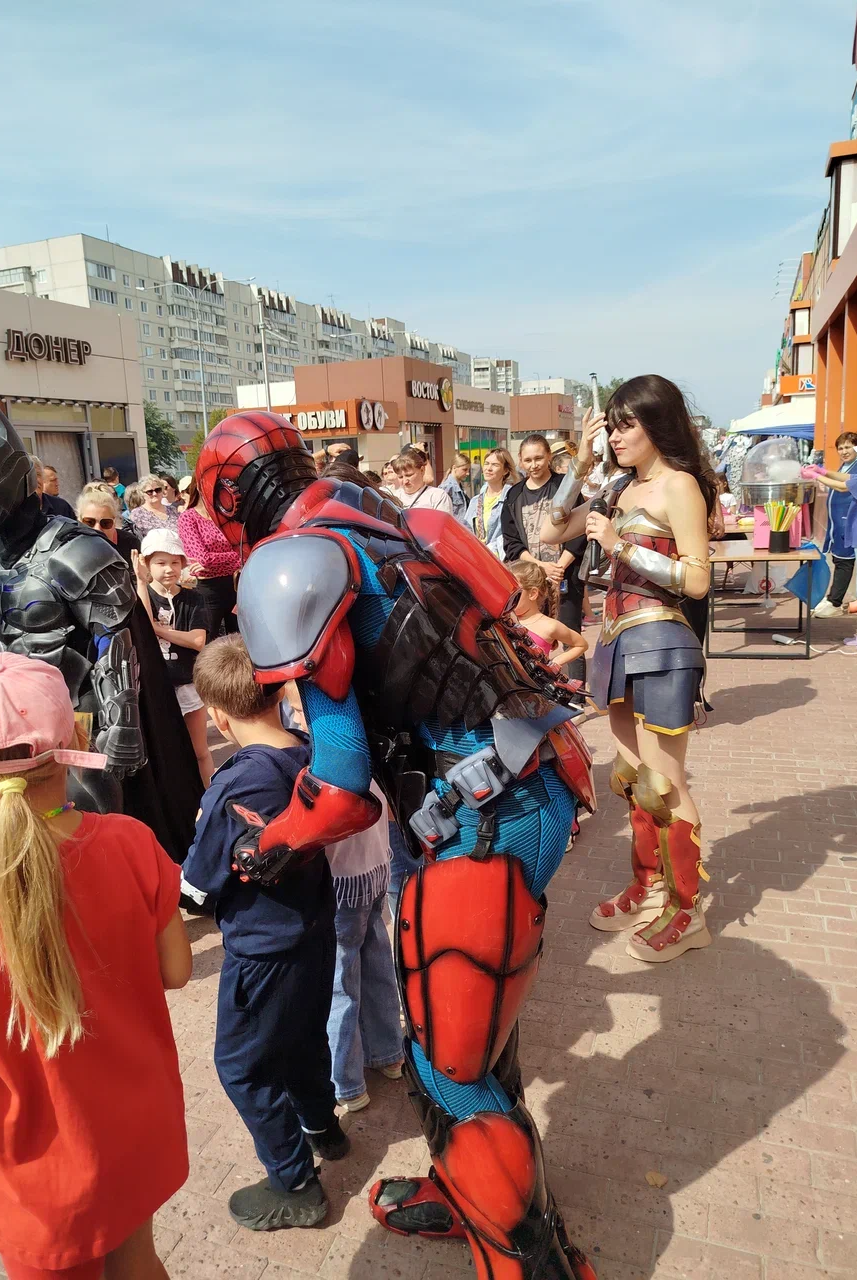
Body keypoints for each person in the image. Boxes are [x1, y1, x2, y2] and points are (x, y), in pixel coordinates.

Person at [194, 409, 597, 1278]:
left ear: (228, 497)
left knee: (451, 1063)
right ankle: (469, 1186)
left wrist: (270, 846)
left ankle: (529, 1261)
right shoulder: (387, 517)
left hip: (481, 816)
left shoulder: (296, 561)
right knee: (464, 1033)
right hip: (517, 780)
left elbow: (340, 788)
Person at [0, 652, 191, 1279]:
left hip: (47, 1184)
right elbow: (175, 971)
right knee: (139, 1264)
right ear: (77, 740)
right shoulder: (133, 842)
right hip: (139, 1134)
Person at [0, 398, 202, 865]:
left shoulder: (75, 548)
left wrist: (122, 724)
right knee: (24, 844)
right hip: (6, 723)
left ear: (13, 479)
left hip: (76, 720)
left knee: (91, 845)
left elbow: (116, 641)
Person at [539, 377, 714, 963]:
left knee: (665, 782)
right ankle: (649, 886)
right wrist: (578, 465)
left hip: (661, 642)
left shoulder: (679, 485)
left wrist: (621, 546)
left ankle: (687, 911)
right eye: (610, 427)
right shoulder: (618, 486)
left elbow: (697, 579)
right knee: (633, 776)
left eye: (626, 425)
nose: (615, 436)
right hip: (615, 642)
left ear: (656, 425)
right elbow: (549, 531)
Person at [181, 636, 348, 1231]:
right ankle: (323, 1127)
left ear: (218, 716)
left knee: (243, 1067)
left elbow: (197, 890)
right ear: (279, 694)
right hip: (314, 927)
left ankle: (294, 1182)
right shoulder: (310, 751)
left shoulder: (234, 784)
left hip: (261, 947)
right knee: (302, 1036)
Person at [284, 682, 403, 1114]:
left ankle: (347, 1082)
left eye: (300, 711)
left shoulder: (322, 769)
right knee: (376, 961)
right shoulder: (370, 755)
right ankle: (389, 1053)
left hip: (342, 885)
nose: (296, 720)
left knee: (340, 982)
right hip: (376, 871)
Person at [503, 434, 588, 681]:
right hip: (529, 579)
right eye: (528, 460)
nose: (534, 465)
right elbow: (511, 541)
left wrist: (559, 567)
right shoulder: (514, 495)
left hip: (565, 574)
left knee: (569, 634)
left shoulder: (565, 487)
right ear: (520, 461)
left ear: (549, 456)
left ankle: (576, 695)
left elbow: (581, 530)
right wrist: (540, 566)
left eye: (539, 458)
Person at [135, 529, 211, 789]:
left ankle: (209, 795)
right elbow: (144, 625)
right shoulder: (141, 595)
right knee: (167, 753)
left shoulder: (193, 598)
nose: (169, 569)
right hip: (157, 685)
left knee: (200, 750)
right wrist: (141, 583)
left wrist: (160, 630)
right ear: (146, 564)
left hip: (188, 680)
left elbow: (198, 640)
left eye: (175, 562)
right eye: (160, 562)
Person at [177, 481, 241, 639]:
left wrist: (233, 558)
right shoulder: (188, 518)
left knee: (239, 639)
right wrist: (234, 558)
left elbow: (242, 553)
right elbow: (203, 558)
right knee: (208, 640)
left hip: (234, 584)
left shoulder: (227, 517)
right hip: (208, 589)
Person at [807, 432, 857, 617]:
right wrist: (823, 471)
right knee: (839, 559)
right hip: (841, 522)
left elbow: (843, 486)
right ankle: (832, 599)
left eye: (848, 447)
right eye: (841, 448)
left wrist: (816, 475)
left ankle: (835, 602)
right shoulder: (847, 466)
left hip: (851, 523)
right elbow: (844, 478)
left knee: (845, 561)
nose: (844, 451)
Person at [508, 560, 588, 669]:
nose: (507, 597)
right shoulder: (504, 619)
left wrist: (554, 663)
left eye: (513, 592)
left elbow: (580, 644)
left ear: (532, 594)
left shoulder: (549, 626)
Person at [464, 447, 517, 557]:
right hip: (479, 559)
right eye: (486, 463)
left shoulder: (512, 498)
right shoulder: (475, 501)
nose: (489, 468)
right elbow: (466, 531)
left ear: (505, 470)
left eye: (495, 465)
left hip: (503, 560)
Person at [77, 485, 142, 564]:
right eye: (89, 522)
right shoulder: (70, 550)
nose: (97, 529)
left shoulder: (130, 544)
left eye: (105, 523)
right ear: (79, 521)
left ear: (114, 522)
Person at [390, 446, 453, 512]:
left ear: (422, 470)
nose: (405, 481)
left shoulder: (438, 496)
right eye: (400, 477)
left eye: (409, 475)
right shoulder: (393, 499)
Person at [439, 453, 471, 519]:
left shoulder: (459, 486)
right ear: (454, 467)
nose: (468, 473)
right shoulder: (447, 487)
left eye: (468, 470)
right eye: (464, 470)